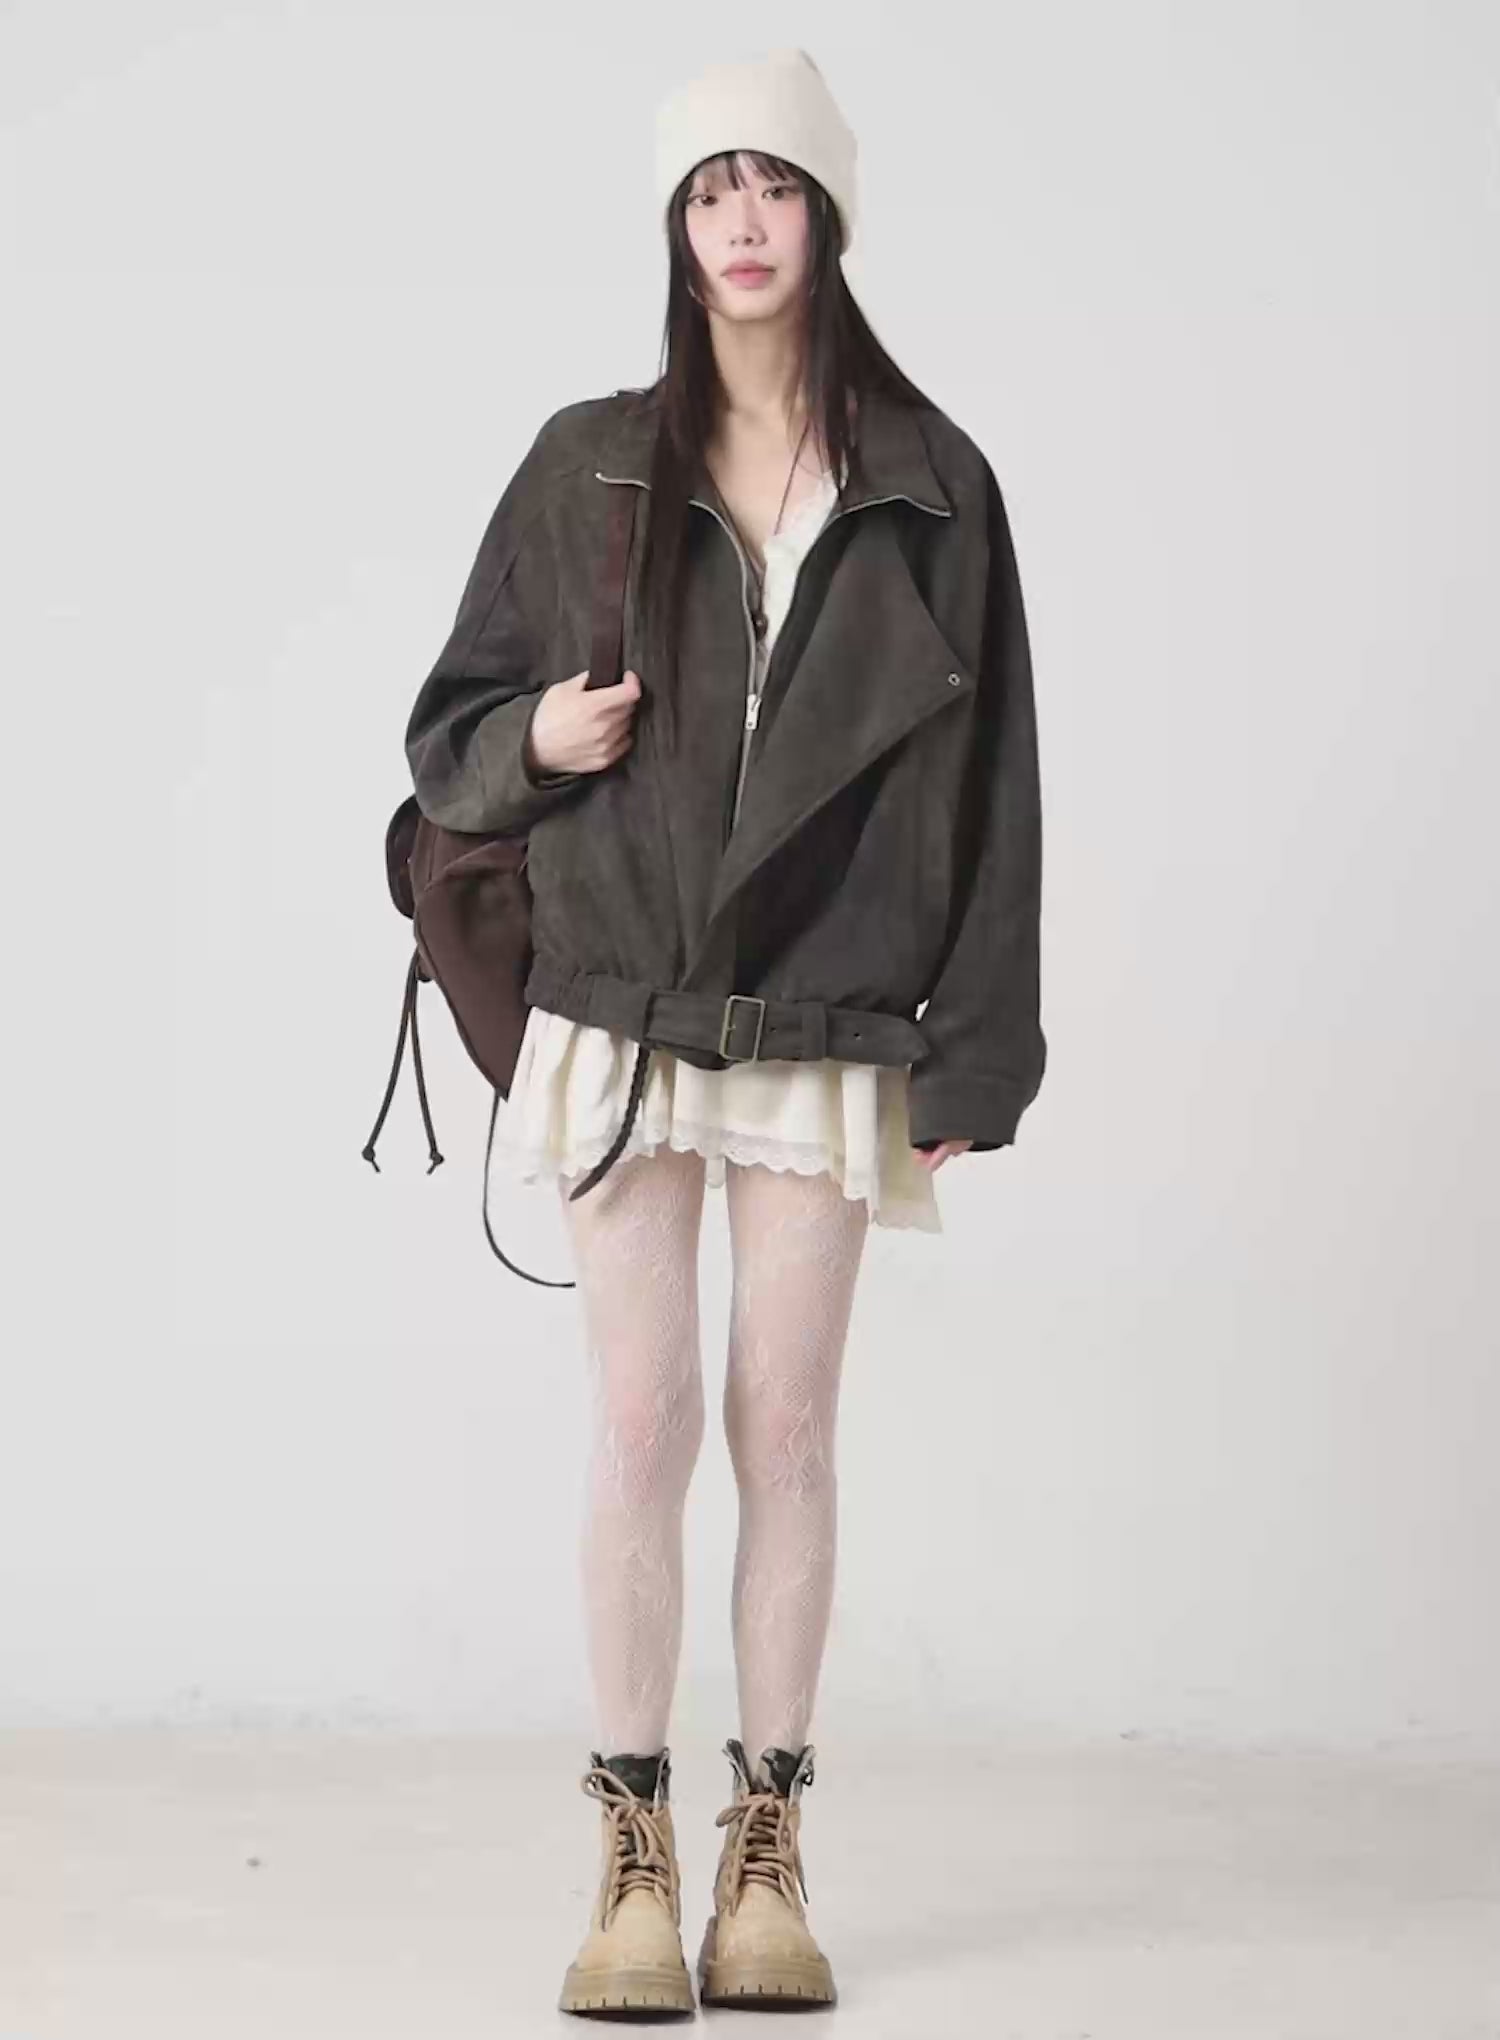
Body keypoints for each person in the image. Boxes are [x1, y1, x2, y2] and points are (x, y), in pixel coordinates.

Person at [401, 46, 1046, 2019]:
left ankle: (769, 1855)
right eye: (708, 190)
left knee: (788, 1425)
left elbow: (999, 786)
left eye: (773, 183)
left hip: (830, 1014)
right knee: (640, 1420)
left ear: (826, 212)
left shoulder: (934, 483)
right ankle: (632, 1858)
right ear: (675, 229)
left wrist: (977, 1050)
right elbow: (448, 736)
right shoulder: (589, 460)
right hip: (621, 1000)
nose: (742, 221)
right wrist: (538, 736)